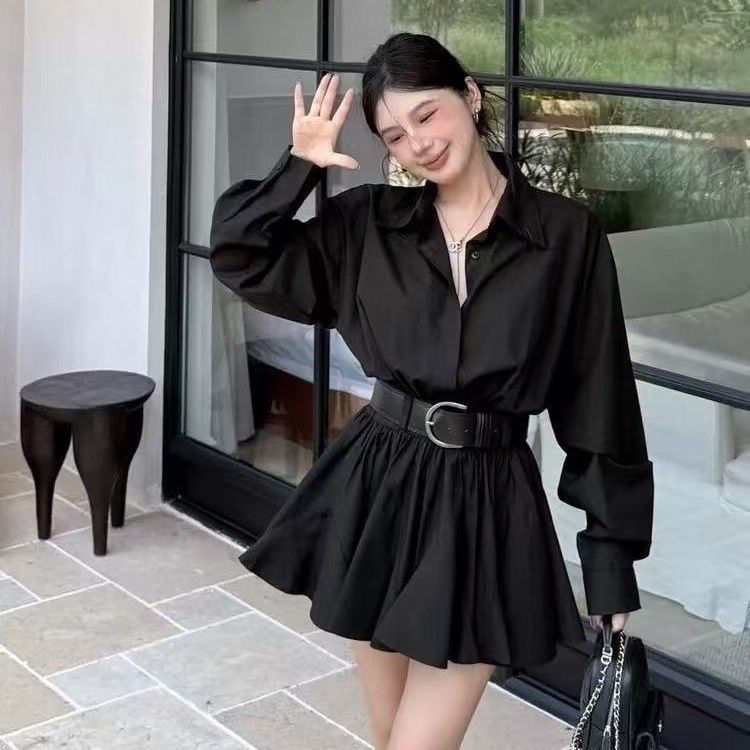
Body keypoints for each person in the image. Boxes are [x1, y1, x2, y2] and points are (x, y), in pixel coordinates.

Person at [209, 31, 654, 750]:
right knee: (392, 738)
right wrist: (299, 167)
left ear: (470, 97)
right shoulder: (366, 224)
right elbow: (241, 255)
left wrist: (610, 562)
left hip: (488, 501)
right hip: (379, 485)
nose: (417, 142)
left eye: (428, 114)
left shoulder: (565, 237)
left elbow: (599, 401)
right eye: (395, 134)